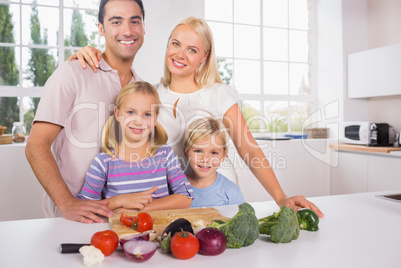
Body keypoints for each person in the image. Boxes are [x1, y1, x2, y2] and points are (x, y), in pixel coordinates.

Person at [70, 17, 324, 217]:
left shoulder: (218, 94)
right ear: (168, 45)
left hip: (217, 196)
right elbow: (121, 95)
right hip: (172, 202)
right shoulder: (151, 94)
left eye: (192, 49)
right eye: (176, 44)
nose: (180, 54)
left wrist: (280, 198)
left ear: (204, 58)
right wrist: (88, 58)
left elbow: (249, 148)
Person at [25, 0, 147, 224]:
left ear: (143, 27)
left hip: (123, 219)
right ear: (101, 28)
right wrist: (68, 203)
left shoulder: (143, 90)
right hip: (72, 218)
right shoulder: (72, 73)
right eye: (116, 21)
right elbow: (36, 145)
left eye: (134, 21)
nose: (127, 30)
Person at [77, 81, 193, 213]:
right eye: (131, 112)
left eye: (147, 114)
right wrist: (120, 200)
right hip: (118, 232)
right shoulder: (103, 163)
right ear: (117, 113)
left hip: (160, 232)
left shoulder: (165, 155)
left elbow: (186, 197)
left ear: (155, 118)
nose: (138, 121)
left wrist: (140, 210)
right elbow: (85, 207)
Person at [183, 117, 245, 208]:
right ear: (186, 152)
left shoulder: (231, 192)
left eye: (214, 153)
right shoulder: (176, 188)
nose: (205, 159)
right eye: (198, 151)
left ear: (224, 155)